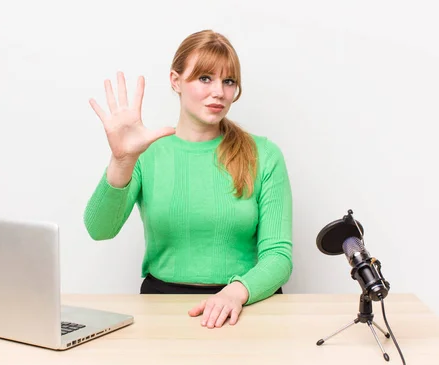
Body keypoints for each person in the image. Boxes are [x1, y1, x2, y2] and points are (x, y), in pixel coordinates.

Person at [84, 29, 293, 329]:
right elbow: (99, 229)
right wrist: (121, 161)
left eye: (228, 81)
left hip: (245, 308)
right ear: (175, 80)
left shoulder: (265, 154)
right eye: (205, 78)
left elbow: (278, 256)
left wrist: (235, 294)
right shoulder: (147, 153)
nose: (219, 92)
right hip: (161, 309)